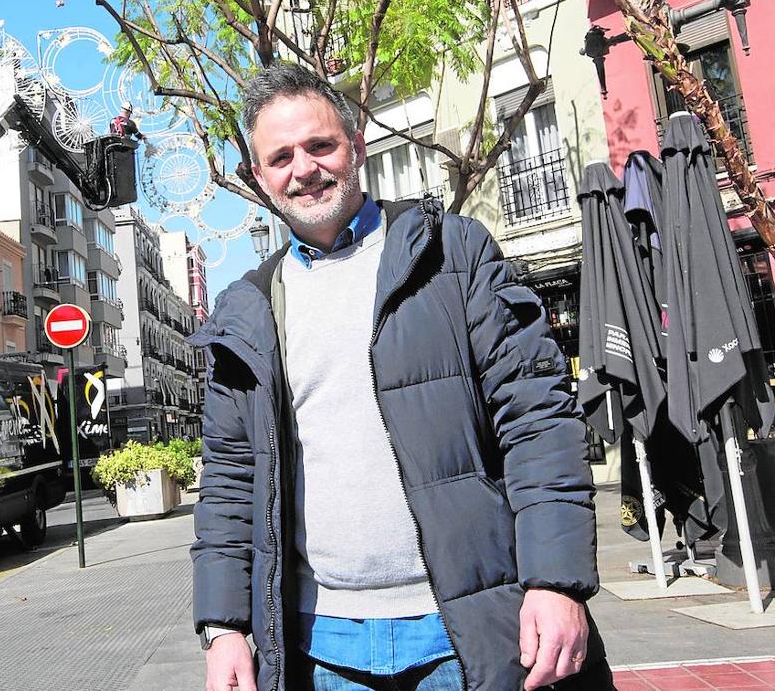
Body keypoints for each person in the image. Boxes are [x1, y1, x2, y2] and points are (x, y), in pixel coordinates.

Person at [189, 64, 610, 691]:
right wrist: (223, 627)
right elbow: (229, 476)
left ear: (355, 145)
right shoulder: (246, 310)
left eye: (319, 145)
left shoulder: (452, 254)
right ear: (259, 177)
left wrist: (555, 580)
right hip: (318, 646)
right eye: (280, 157)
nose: (303, 168)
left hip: (466, 629)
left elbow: (538, 421)